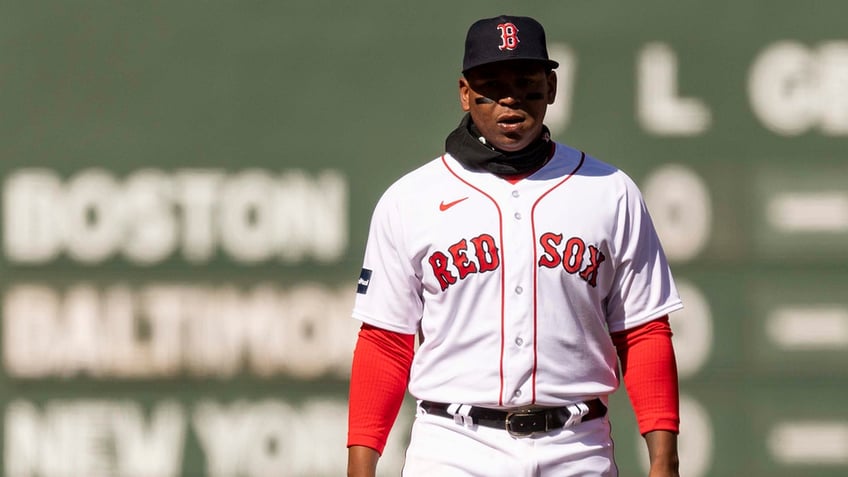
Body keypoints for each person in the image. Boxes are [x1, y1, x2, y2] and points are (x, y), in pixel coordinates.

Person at [347, 14, 682, 477]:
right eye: (492, 85)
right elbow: (385, 342)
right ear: (465, 92)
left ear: (551, 86)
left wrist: (665, 460)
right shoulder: (410, 199)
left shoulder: (609, 190)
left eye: (525, 83)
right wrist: (361, 466)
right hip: (454, 445)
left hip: (576, 447)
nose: (510, 99)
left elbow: (643, 331)